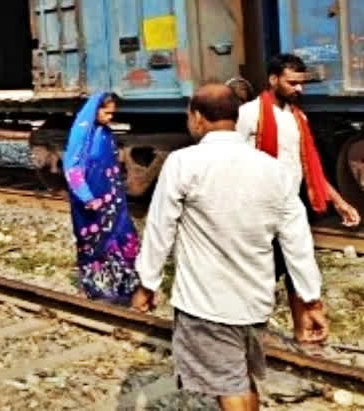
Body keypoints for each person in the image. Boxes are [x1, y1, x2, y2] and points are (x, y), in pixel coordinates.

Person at [133, 84, 326, 411]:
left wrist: (147, 283)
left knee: (228, 384)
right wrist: (310, 298)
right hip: (255, 301)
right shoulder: (273, 169)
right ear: (236, 119)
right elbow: (297, 239)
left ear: (196, 118)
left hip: (207, 305)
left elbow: (159, 228)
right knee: (240, 377)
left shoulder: (183, 163)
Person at [236, 54, 359, 334]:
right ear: (273, 79)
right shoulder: (249, 114)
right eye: (292, 83)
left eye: (301, 83)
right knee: (262, 272)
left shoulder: (297, 117)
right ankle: (250, 333)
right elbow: (233, 161)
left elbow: (310, 165)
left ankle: (302, 329)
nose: (299, 89)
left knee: (298, 266)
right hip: (259, 206)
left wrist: (338, 202)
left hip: (292, 203)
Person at [61, 92, 140, 304]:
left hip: (113, 202)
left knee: (123, 236)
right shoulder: (81, 134)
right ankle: (98, 289)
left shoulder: (104, 132)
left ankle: (123, 287)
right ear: (95, 110)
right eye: (106, 112)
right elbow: (72, 168)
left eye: (112, 113)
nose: (110, 117)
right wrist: (87, 197)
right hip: (91, 203)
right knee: (95, 243)